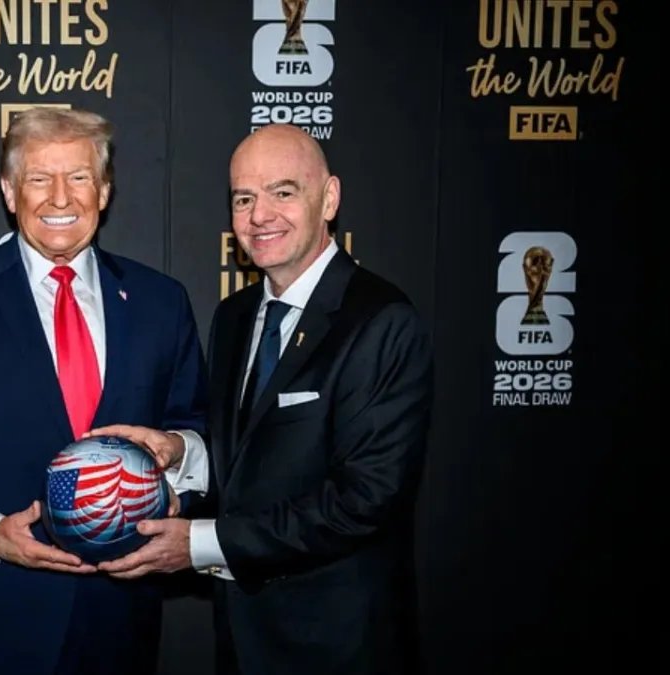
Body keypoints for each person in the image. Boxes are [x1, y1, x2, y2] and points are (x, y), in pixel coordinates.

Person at [0, 107, 209, 675]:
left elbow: (195, 427)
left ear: (104, 191)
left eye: (79, 177)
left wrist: (177, 462)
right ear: (9, 191)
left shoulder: (161, 302)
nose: (60, 198)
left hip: (116, 623)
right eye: (39, 178)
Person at [89, 124, 435, 674]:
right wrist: (183, 453)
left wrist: (201, 543)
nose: (260, 215)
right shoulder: (235, 316)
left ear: (330, 199)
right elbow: (249, 459)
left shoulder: (381, 321)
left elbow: (363, 499)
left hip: (338, 645)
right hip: (244, 639)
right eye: (244, 198)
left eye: (283, 192)